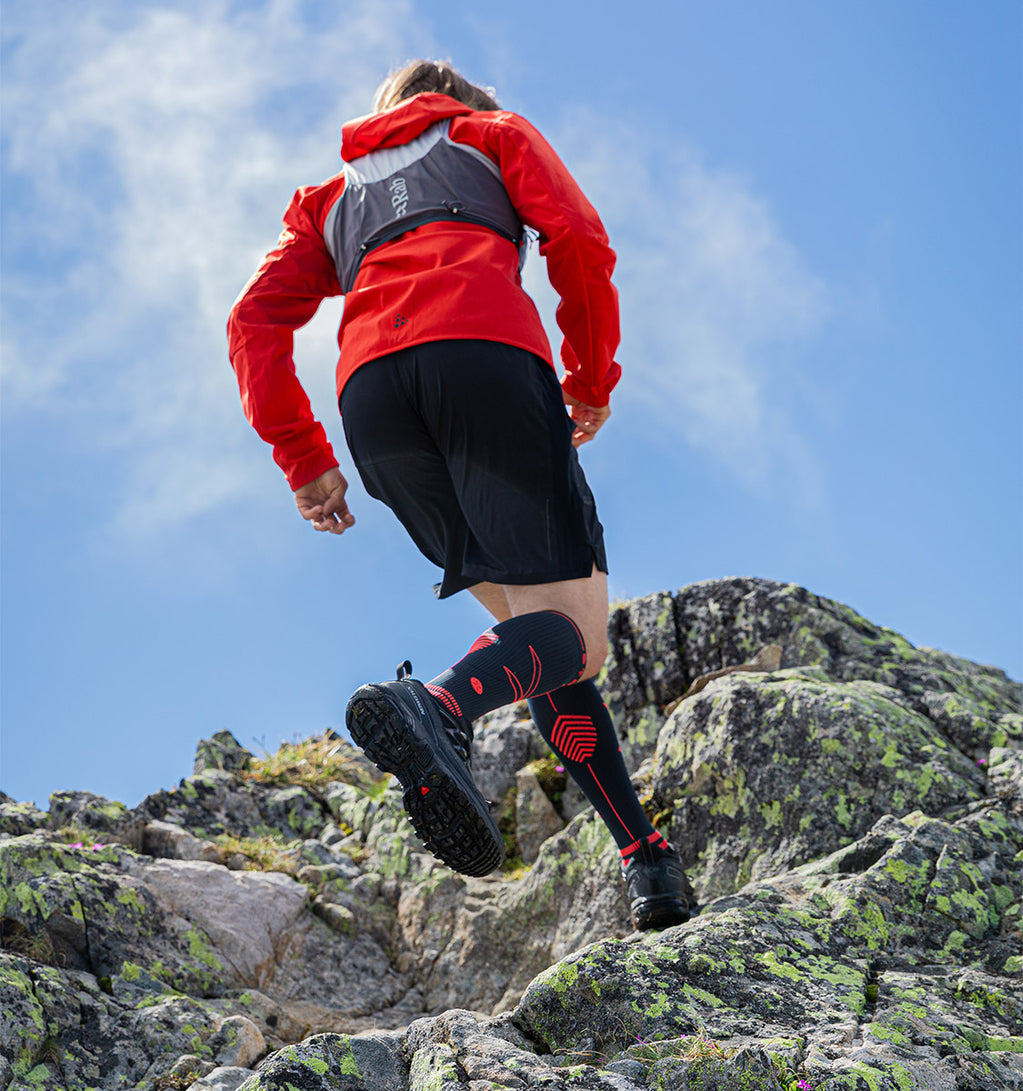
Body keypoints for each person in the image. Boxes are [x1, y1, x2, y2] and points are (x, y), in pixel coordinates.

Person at [227, 59, 693, 929]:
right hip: (480, 357)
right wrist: (592, 375)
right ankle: (436, 706)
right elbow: (579, 242)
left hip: (374, 402)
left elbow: (252, 320)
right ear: (458, 106)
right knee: (577, 637)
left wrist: (303, 455)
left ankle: (644, 858)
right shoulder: (493, 135)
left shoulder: (327, 200)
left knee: (540, 633)